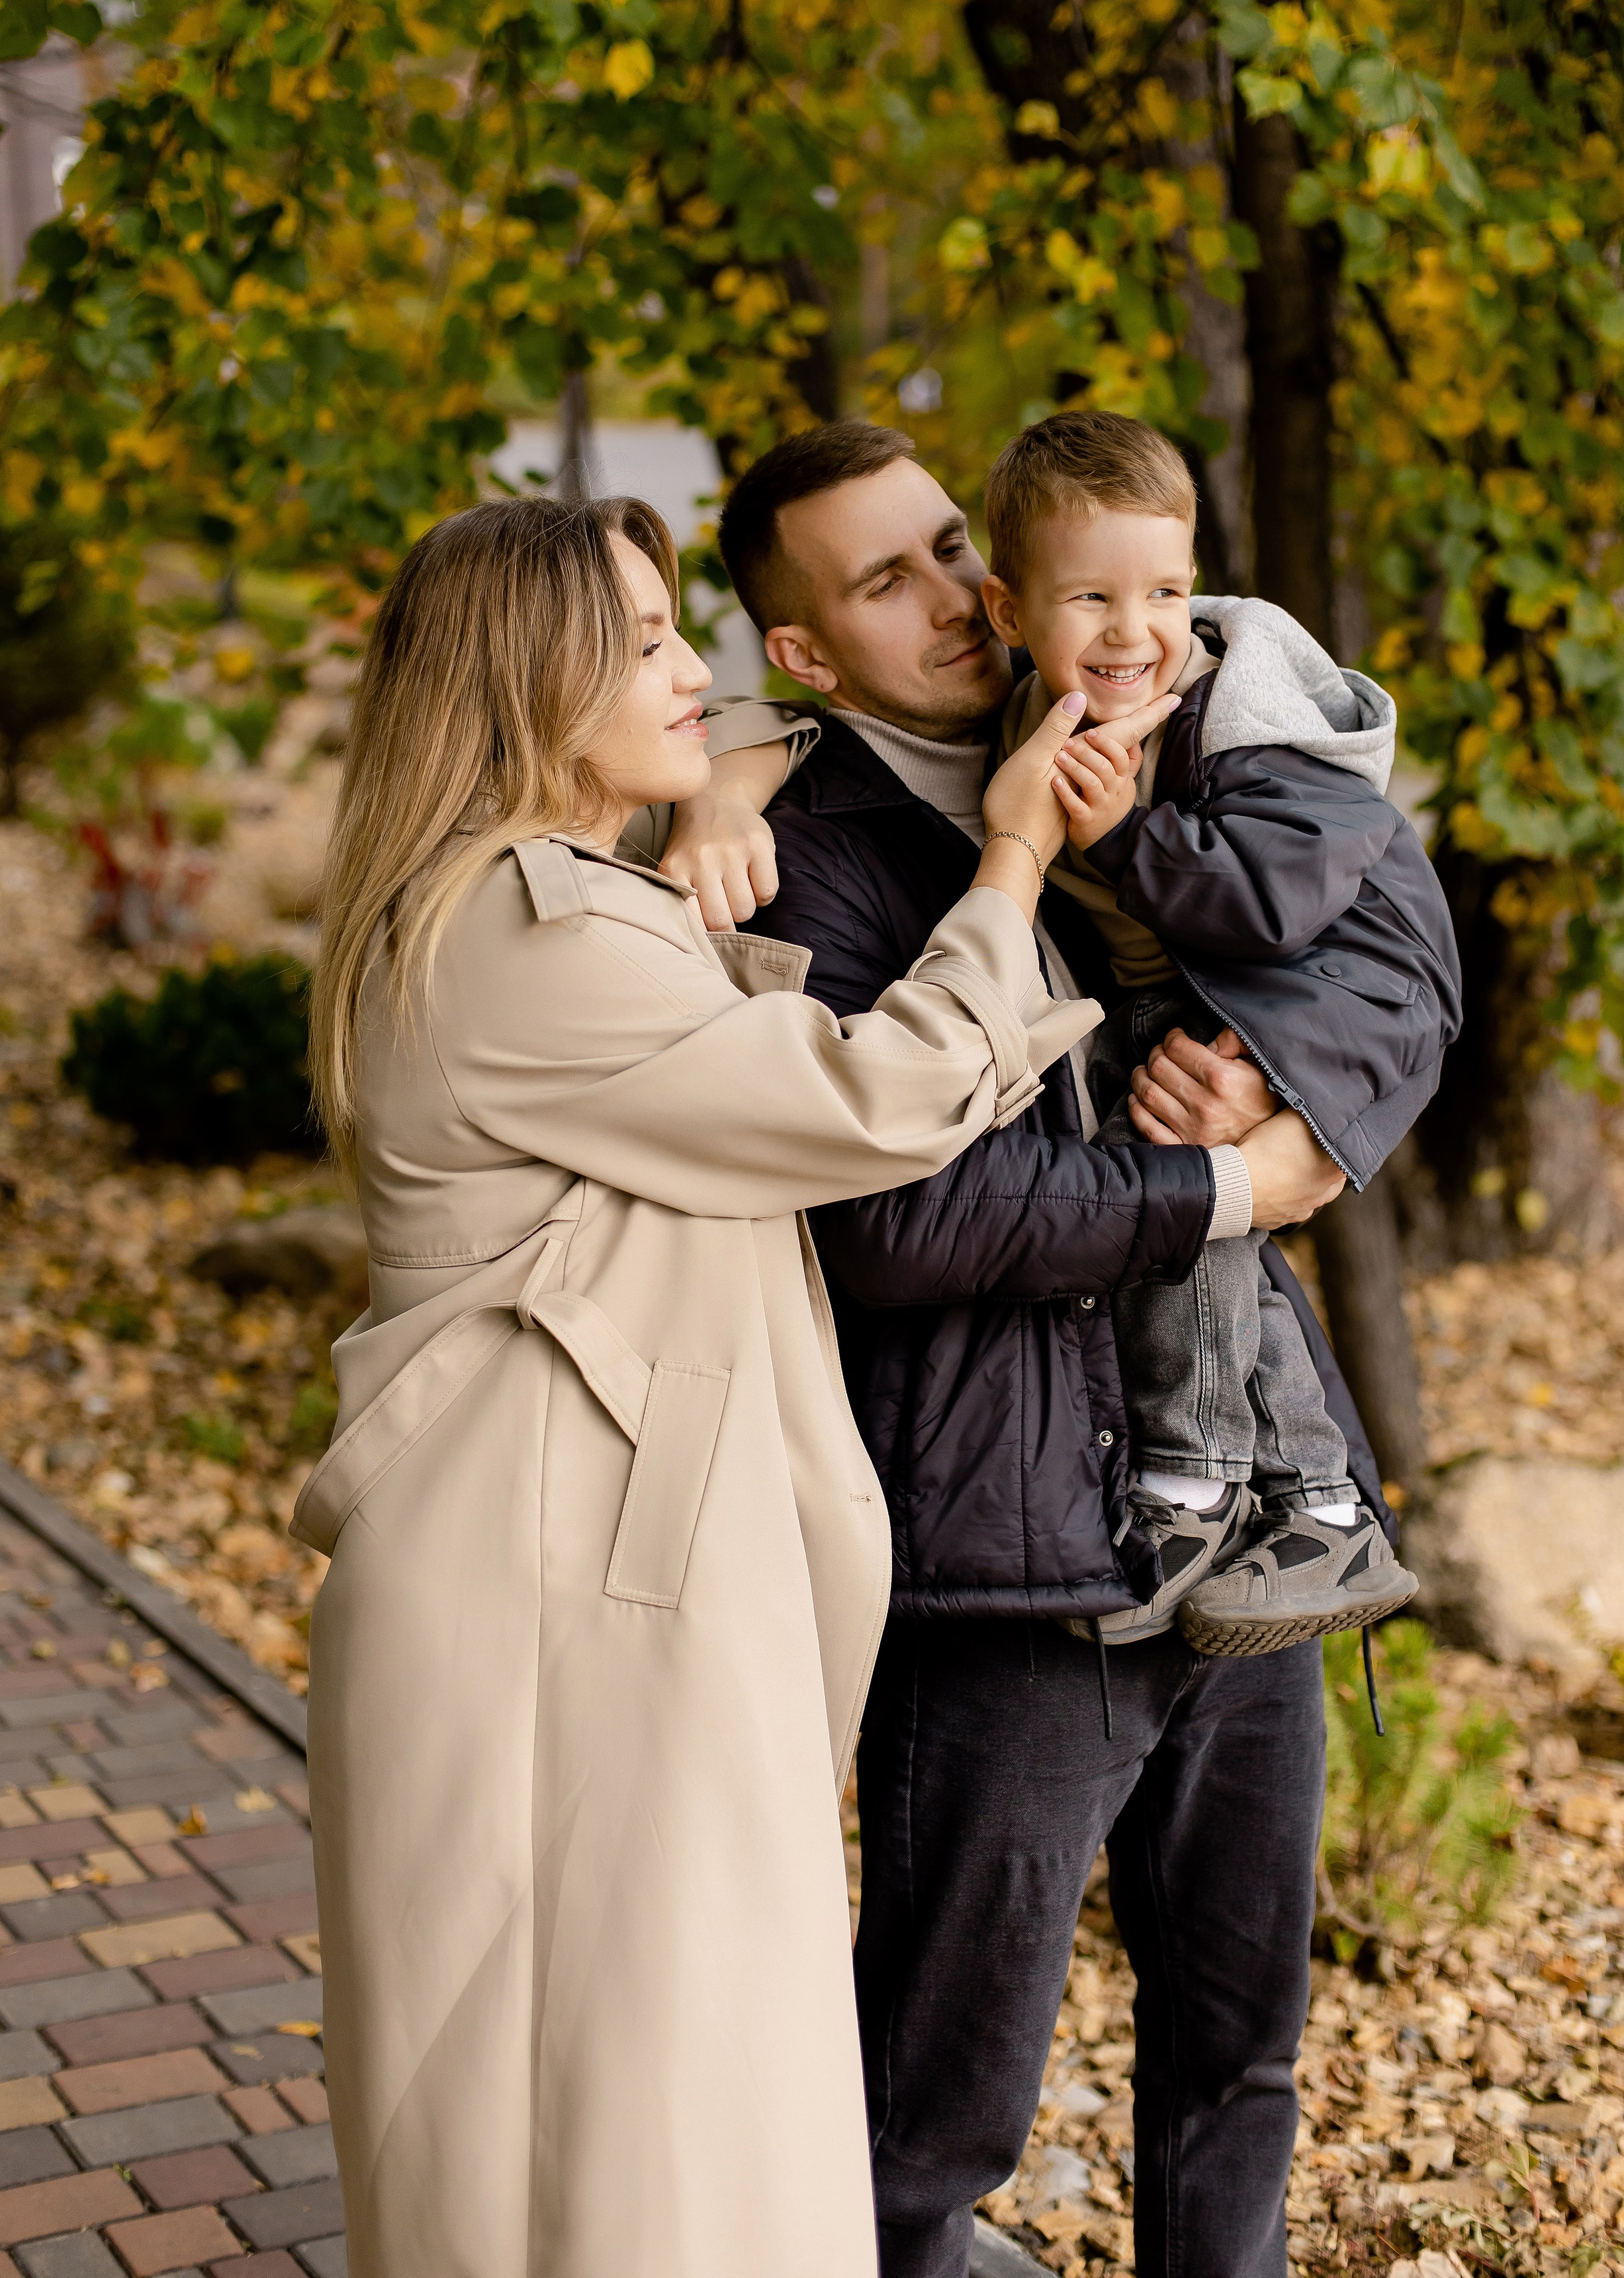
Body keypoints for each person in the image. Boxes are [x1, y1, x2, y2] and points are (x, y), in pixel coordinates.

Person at [292, 490, 1121, 2278]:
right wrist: (1010, 864)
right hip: (562, 1601)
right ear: (529, 688)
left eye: (686, 632)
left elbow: (740, 795)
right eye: (648, 645)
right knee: (607, 2127)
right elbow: (879, 1098)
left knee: (642, 2112)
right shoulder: (526, 933)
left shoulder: (552, 903)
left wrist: (716, 792)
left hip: (594, 1572)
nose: (698, 673)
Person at [706, 422, 1365, 2278]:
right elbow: (901, 1225)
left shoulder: (1160, 756)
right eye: (883, 582)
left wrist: (1291, 1095)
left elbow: (1387, 966)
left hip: (1248, 1517)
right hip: (1011, 1573)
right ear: (805, 656)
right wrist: (1218, 1186)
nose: (949, 601)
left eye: (944, 548)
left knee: (1239, 2062)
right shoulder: (802, 873)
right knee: (932, 2119)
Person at [981, 409, 1459, 1654]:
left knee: (1183, 1186)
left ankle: (1194, 1485)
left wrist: (1129, 840)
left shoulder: (1243, 723)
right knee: (1194, 1195)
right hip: (1227, 994)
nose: (1134, 630)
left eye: (1166, 591)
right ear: (1006, 611)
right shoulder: (1032, 714)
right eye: (1089, 596)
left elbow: (1272, 904)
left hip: (1345, 987)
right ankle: (1319, 1498)